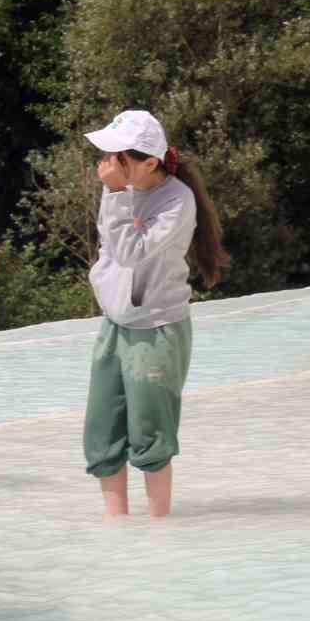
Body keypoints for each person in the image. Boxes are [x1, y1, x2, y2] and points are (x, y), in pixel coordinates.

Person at [83, 109, 229, 518]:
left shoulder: (175, 201)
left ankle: (158, 530)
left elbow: (131, 252)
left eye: (118, 156)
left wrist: (114, 195)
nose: (108, 163)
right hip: (116, 323)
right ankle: (118, 530)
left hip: (157, 327)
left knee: (150, 434)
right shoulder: (120, 189)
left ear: (149, 161)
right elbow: (109, 250)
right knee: (102, 433)